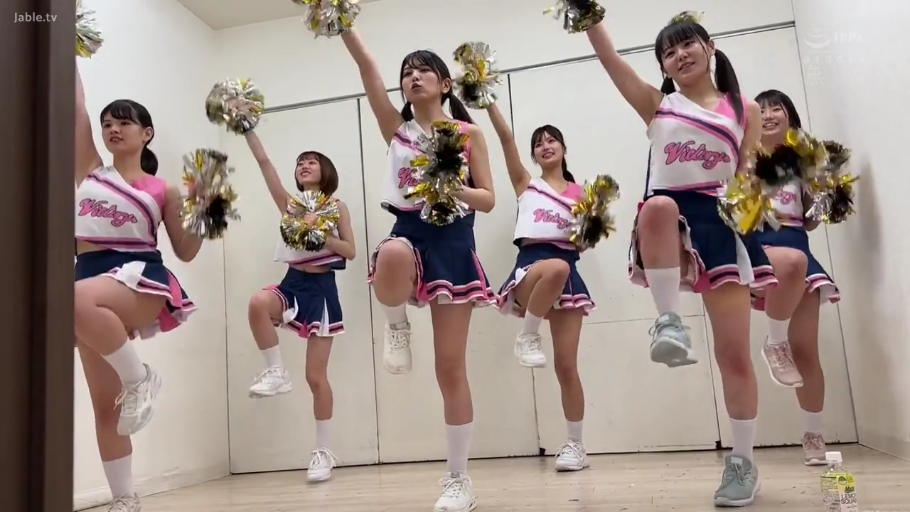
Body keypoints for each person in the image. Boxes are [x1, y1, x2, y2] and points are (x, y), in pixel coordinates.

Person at [581, 12, 774, 506]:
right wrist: (587, 15)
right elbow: (609, 59)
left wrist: (756, 214)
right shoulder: (657, 104)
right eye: (669, 51)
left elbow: (747, 174)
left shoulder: (745, 108)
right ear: (663, 66)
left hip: (722, 225)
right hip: (668, 222)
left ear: (710, 47)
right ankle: (668, 321)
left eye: (688, 44)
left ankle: (743, 463)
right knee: (659, 206)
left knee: (733, 355)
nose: (680, 54)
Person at [341, 28, 496, 511]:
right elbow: (368, 71)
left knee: (450, 368)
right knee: (389, 253)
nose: (413, 76)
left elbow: (488, 199)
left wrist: (452, 187)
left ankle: (459, 479)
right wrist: (342, 21)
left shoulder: (468, 134)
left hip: (453, 240)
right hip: (409, 231)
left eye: (423, 69)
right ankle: (397, 326)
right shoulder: (399, 131)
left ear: (445, 84)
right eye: (407, 72)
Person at [74, 65, 200, 512]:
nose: (113, 128)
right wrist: (67, 45)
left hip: (140, 279)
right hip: (89, 283)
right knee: (107, 407)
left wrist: (205, 212)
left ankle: (139, 378)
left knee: (72, 300)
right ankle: (125, 499)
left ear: (146, 133)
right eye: (107, 123)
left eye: (124, 122)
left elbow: (186, 250)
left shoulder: (164, 189)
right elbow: (76, 108)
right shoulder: (91, 171)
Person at [243, 131, 356, 482]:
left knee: (316, 377)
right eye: (300, 163)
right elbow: (265, 165)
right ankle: (276, 371)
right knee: (258, 302)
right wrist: (247, 129)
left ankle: (323, 451)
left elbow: (350, 251)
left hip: (322, 291)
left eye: (312, 161)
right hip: (292, 283)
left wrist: (323, 233)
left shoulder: (337, 207)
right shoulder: (291, 206)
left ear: (326, 171)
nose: (304, 165)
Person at [486, 103, 593, 472]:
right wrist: (488, 101)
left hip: (567, 275)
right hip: (532, 267)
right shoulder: (526, 184)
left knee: (567, 367)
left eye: (552, 141)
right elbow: (505, 139)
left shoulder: (582, 194)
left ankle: (576, 446)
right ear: (534, 154)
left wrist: (590, 232)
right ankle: (528, 335)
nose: (545, 146)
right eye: (539, 143)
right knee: (555, 267)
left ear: (563, 148)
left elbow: (582, 244)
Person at [750, 89, 839, 466]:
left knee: (806, 352)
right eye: (763, 109)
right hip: (758, 247)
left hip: (797, 246)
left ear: (790, 117)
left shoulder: (804, 163)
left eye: (778, 108)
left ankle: (813, 437)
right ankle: (774, 343)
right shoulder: (743, 157)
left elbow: (813, 221)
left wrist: (827, 191)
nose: (769, 114)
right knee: (788, 264)